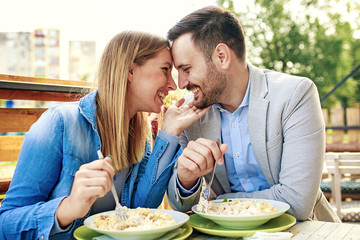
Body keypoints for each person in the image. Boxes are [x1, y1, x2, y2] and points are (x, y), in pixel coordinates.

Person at [0, 30, 209, 239]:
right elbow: (5, 223)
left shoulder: (138, 135)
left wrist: (169, 133)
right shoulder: (58, 124)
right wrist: (67, 208)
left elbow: (142, 210)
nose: (173, 84)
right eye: (165, 70)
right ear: (130, 70)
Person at [165, 6, 340, 222]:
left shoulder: (296, 95)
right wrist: (186, 179)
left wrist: (217, 204)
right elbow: (180, 205)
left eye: (187, 69)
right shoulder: (192, 116)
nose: (181, 84)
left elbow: (297, 201)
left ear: (221, 56)